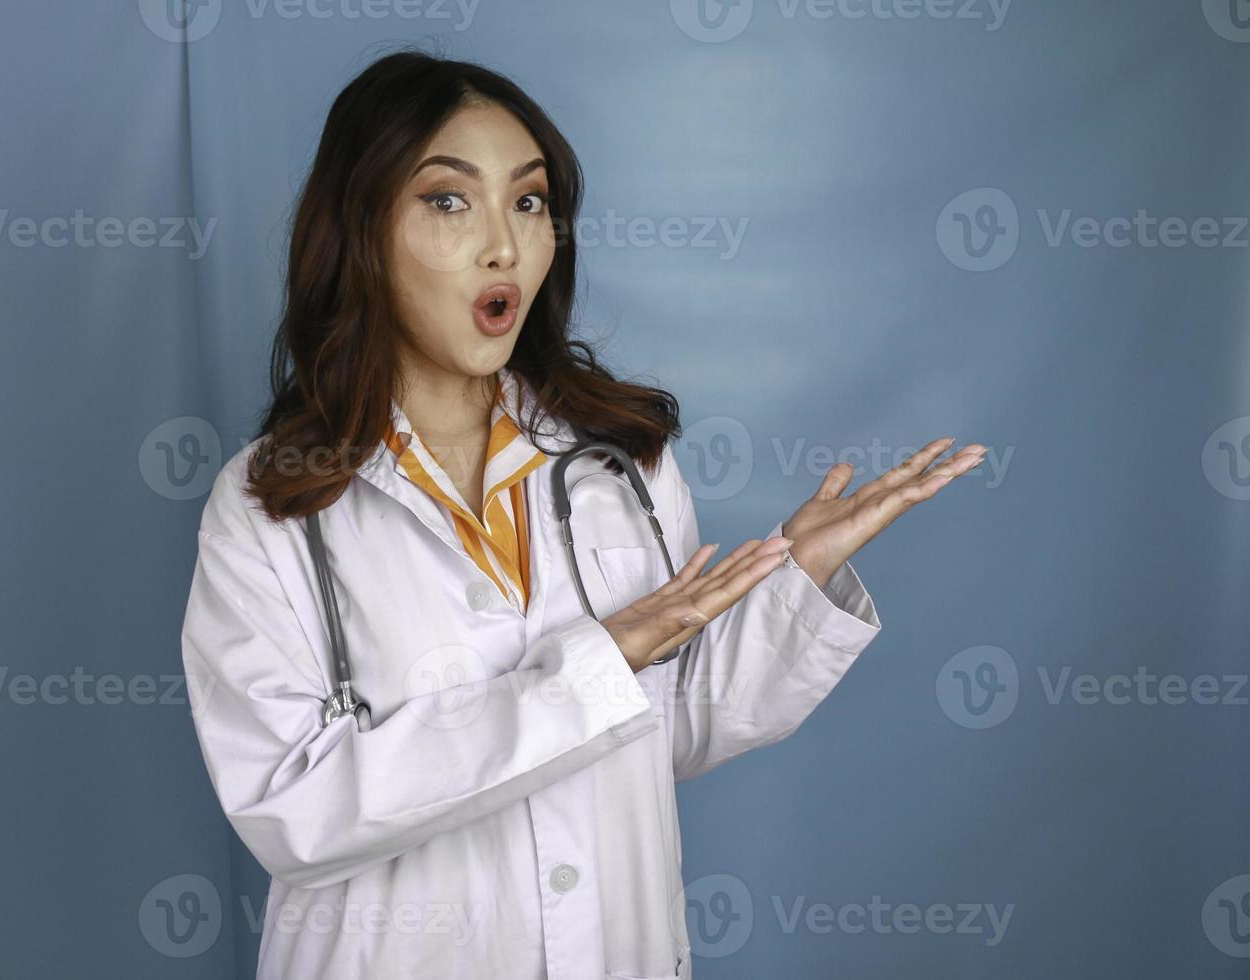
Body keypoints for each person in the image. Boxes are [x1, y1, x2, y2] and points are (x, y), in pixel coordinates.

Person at [180, 48, 986, 980]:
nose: (504, 244)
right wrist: (594, 664)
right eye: (449, 200)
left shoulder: (621, 461)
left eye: (528, 202)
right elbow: (294, 809)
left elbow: (668, 727)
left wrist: (795, 579)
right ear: (361, 229)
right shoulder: (273, 507)